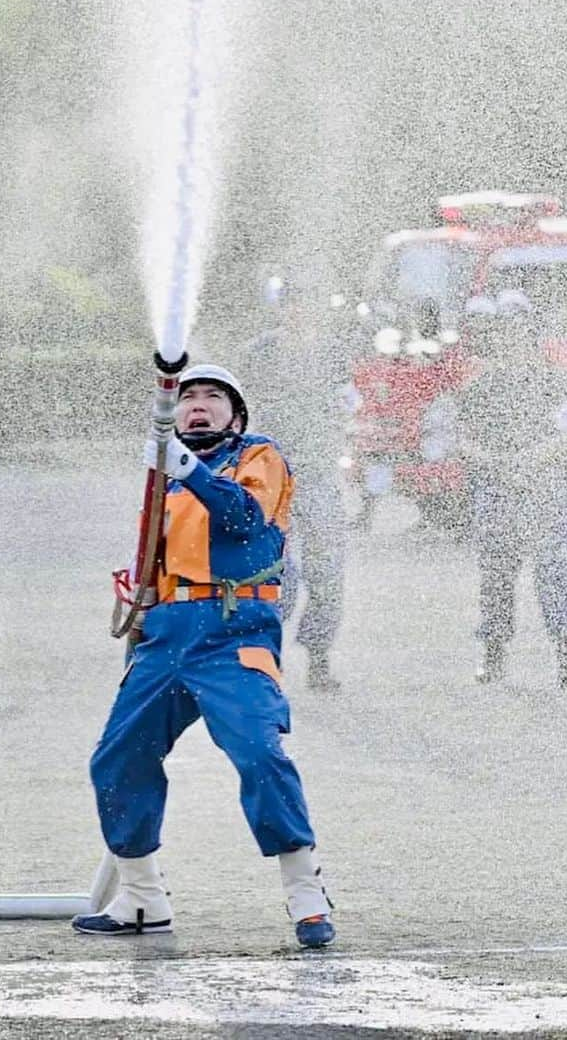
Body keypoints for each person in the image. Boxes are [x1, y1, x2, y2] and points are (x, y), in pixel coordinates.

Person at [73, 364, 335, 948]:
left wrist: (184, 467)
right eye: (188, 395)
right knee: (116, 759)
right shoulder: (164, 479)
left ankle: (304, 888)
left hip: (234, 632)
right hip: (166, 633)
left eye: (213, 397)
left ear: (235, 416)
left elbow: (242, 518)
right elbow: (153, 563)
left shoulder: (258, 456)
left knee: (259, 753)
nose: (197, 404)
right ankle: (142, 897)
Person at [456, 293, 567, 690]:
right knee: (496, 575)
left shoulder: (553, 382)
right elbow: (462, 439)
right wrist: (495, 463)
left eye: (519, 330)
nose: (511, 339)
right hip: (497, 489)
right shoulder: (482, 386)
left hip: (543, 488)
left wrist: (531, 460)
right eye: (505, 332)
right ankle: (493, 653)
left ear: (532, 335)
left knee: (552, 571)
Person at [240, 270, 351, 690]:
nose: (299, 311)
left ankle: (320, 656)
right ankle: (264, 656)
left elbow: (347, 404)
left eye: (307, 302)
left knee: (327, 567)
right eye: (292, 303)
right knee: (273, 571)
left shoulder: (335, 353)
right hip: (271, 478)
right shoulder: (259, 353)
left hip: (320, 472)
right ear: (281, 308)